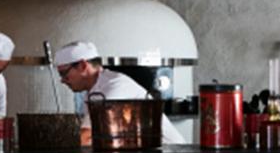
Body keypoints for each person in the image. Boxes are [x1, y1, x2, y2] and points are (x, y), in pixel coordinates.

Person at [54, 41, 186, 145]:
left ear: (83, 66)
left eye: (64, 73)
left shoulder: (114, 85)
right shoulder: (93, 91)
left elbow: (86, 136)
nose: (62, 80)